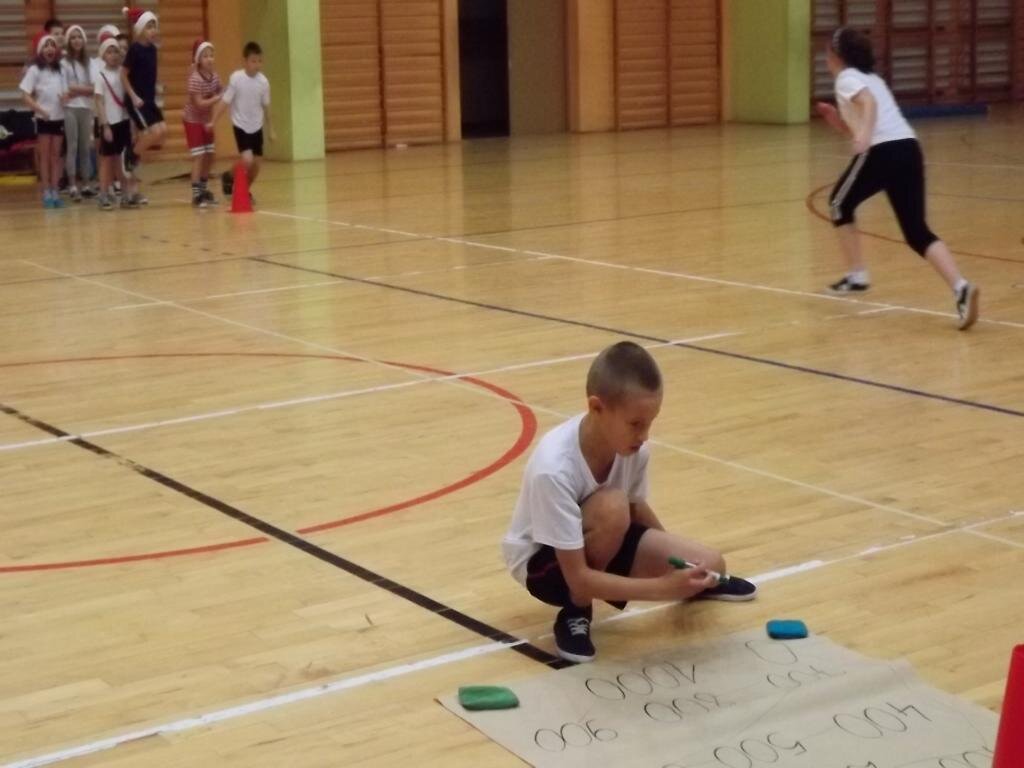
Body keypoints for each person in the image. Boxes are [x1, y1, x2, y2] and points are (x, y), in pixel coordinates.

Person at [502, 341, 757, 663]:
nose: (644, 435)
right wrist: (663, 588)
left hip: (605, 534)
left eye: (650, 422)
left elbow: (637, 509)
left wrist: (681, 567)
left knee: (711, 564)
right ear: (597, 408)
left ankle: (690, 577)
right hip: (546, 566)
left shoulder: (634, 449)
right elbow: (579, 577)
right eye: (636, 424)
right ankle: (576, 611)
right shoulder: (554, 468)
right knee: (612, 507)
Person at [817, 27, 979, 330]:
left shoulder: (848, 78)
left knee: (839, 203)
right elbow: (860, 123)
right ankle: (961, 287)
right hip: (909, 149)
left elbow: (869, 105)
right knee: (916, 231)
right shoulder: (872, 79)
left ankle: (857, 276)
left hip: (883, 151)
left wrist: (865, 136)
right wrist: (836, 120)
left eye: (827, 51)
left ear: (837, 55)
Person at [208, 41, 275, 204]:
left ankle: (244, 190)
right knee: (247, 159)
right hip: (241, 125)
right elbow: (225, 101)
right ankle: (228, 176)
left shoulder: (263, 82)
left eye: (259, 61)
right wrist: (213, 121)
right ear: (245, 61)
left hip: (256, 126)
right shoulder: (236, 79)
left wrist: (271, 129)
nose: (257, 65)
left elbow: (267, 107)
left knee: (256, 165)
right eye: (253, 61)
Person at [120, 7, 164, 206]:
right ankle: (130, 154)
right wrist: (133, 96)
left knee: (162, 130)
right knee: (153, 133)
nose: (153, 30)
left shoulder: (153, 50)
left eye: (155, 26)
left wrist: (158, 87)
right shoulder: (135, 49)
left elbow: (149, 74)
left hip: (149, 100)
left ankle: (133, 158)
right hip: (136, 101)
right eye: (149, 26)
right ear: (140, 29)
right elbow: (123, 75)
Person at [20, 33, 67, 208]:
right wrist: (40, 110)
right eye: (46, 45)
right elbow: (25, 95)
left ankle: (55, 190)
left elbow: (67, 92)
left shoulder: (61, 70)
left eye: (52, 45)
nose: (50, 49)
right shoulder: (34, 70)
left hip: (59, 118)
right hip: (43, 119)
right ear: (41, 50)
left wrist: (66, 98)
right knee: (45, 156)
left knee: (56, 156)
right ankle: (46, 190)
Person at [93, 37, 131, 211]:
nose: (113, 55)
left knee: (121, 161)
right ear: (103, 55)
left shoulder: (123, 73)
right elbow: (99, 102)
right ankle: (103, 195)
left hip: (124, 121)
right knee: (107, 161)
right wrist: (105, 125)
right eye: (109, 52)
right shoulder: (100, 76)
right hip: (110, 123)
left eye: (116, 51)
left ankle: (125, 194)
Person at [182, 40, 221, 207]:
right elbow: (199, 103)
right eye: (205, 56)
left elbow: (221, 90)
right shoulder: (195, 79)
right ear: (198, 59)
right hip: (193, 121)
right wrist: (216, 98)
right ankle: (196, 194)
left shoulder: (215, 76)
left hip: (206, 121)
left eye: (211, 55)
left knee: (210, 155)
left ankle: (204, 190)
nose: (209, 59)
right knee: (199, 156)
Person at [61, 24, 94, 201]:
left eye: (79, 37)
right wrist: (83, 90)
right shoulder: (64, 63)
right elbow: (65, 89)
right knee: (72, 146)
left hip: (86, 108)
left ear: (84, 40)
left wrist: (76, 89)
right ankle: (72, 184)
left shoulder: (90, 63)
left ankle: (86, 184)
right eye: (73, 37)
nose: (76, 40)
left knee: (85, 147)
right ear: (68, 41)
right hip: (71, 109)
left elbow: (94, 88)